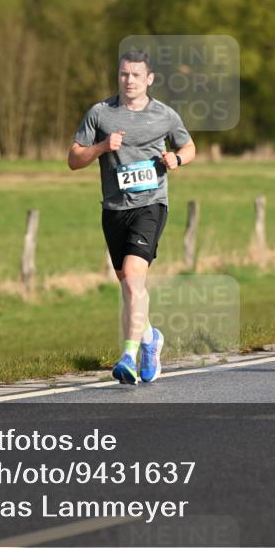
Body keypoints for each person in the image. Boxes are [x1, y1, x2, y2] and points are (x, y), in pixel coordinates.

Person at [68, 51, 196, 385]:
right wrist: (101, 148)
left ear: (149, 79)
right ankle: (151, 338)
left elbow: (190, 147)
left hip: (151, 205)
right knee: (128, 284)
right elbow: (74, 158)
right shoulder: (100, 113)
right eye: (124, 74)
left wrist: (176, 160)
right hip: (113, 209)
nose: (129, 81)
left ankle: (128, 355)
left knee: (136, 277)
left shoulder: (165, 116)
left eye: (136, 75)